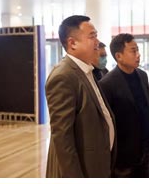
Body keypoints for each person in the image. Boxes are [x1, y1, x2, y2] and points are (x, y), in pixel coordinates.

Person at [45, 15, 115, 177]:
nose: (97, 42)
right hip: (82, 170)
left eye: (96, 35)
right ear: (72, 43)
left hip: (97, 165)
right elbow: (62, 138)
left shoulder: (87, 70)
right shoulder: (63, 76)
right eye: (92, 36)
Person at [99, 34, 149, 178]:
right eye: (133, 51)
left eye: (138, 50)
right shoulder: (107, 84)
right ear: (119, 56)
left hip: (145, 152)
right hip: (123, 159)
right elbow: (106, 125)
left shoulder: (142, 76)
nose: (138, 55)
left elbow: (146, 110)